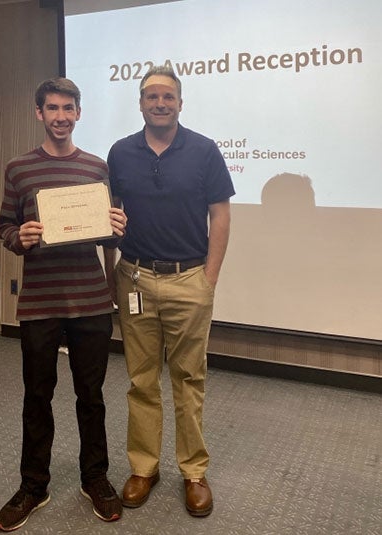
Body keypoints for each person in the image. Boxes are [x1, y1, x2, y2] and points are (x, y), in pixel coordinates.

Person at [0, 77, 127, 532]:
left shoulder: (96, 168)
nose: (60, 116)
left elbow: (107, 232)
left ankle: (96, 479)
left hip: (90, 301)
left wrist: (116, 225)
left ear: (78, 113)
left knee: (91, 398)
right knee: (37, 397)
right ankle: (34, 486)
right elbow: (4, 225)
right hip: (39, 304)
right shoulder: (18, 169)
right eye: (51, 108)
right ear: (39, 114)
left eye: (68, 108)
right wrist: (19, 237)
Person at [105, 65, 235, 517]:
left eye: (168, 96)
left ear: (181, 102)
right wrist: (111, 274)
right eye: (151, 96)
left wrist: (209, 278)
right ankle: (144, 467)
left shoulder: (204, 150)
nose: (160, 103)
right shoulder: (120, 153)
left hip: (189, 280)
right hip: (135, 277)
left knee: (188, 380)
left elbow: (220, 214)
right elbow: (110, 215)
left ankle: (193, 472)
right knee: (141, 381)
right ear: (140, 104)